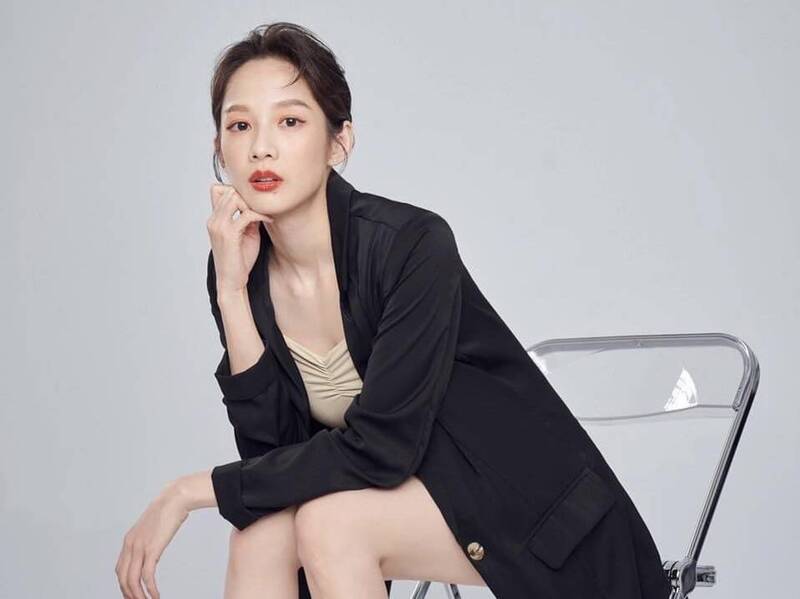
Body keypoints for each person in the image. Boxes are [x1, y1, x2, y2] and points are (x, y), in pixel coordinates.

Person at [115, 22, 672, 599]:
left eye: (290, 121)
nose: (261, 147)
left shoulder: (410, 244)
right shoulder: (240, 268)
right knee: (259, 535)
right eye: (240, 126)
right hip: (408, 503)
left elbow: (381, 448)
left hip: (539, 514)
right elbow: (275, 462)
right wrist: (232, 294)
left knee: (330, 525)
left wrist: (188, 491)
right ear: (219, 150)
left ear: (339, 142)